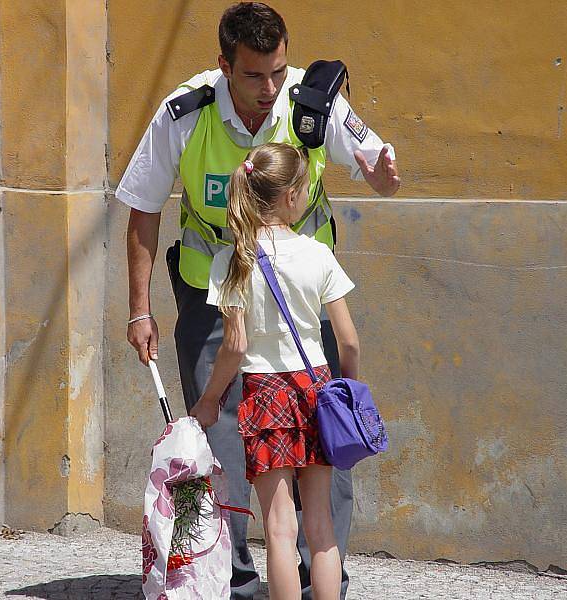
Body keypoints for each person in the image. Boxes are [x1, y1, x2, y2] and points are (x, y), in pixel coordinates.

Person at [118, 3, 399, 598]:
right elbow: (142, 206)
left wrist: (380, 171)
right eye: (253, 76)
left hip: (304, 308)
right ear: (224, 66)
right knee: (210, 441)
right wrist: (139, 308)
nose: (270, 89)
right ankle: (224, 582)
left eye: (278, 71)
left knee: (327, 445)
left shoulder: (311, 103)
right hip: (210, 299)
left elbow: (370, 155)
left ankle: (321, 580)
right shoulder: (185, 112)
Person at [189, 142, 359, 600]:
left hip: (264, 392)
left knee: (279, 528)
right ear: (289, 197)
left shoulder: (231, 259)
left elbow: (235, 346)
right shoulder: (318, 254)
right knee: (320, 527)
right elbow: (349, 341)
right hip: (318, 387)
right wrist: (348, 388)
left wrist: (209, 401)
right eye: (304, 188)